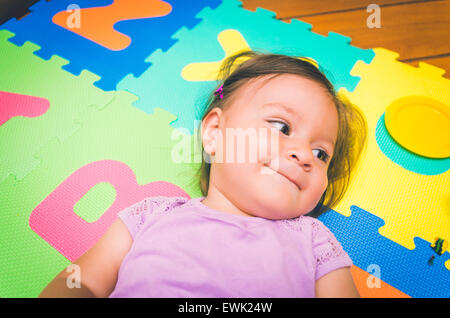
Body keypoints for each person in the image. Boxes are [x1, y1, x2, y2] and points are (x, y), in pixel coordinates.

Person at [39, 51, 367, 298]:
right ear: (214, 133)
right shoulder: (150, 214)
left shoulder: (315, 241)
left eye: (322, 153)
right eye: (282, 127)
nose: (304, 155)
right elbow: (81, 281)